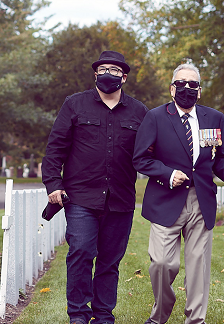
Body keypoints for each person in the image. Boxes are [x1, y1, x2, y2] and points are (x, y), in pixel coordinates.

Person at [42, 50, 148, 324]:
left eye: (114, 70)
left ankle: (103, 316)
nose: (107, 74)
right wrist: (53, 184)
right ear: (95, 74)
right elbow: (55, 149)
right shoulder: (75, 105)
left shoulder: (139, 111)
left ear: (123, 77)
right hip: (80, 198)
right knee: (80, 253)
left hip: (121, 200)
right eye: (102, 69)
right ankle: (78, 316)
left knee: (110, 262)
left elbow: (151, 152)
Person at [132, 63, 224, 324]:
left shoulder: (213, 118)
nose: (187, 88)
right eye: (181, 83)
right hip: (165, 199)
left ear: (200, 91)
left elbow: (220, 158)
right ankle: (159, 315)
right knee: (161, 264)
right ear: (172, 89)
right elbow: (140, 159)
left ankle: (196, 320)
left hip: (201, 199)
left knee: (198, 267)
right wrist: (168, 174)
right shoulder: (156, 117)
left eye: (192, 84)